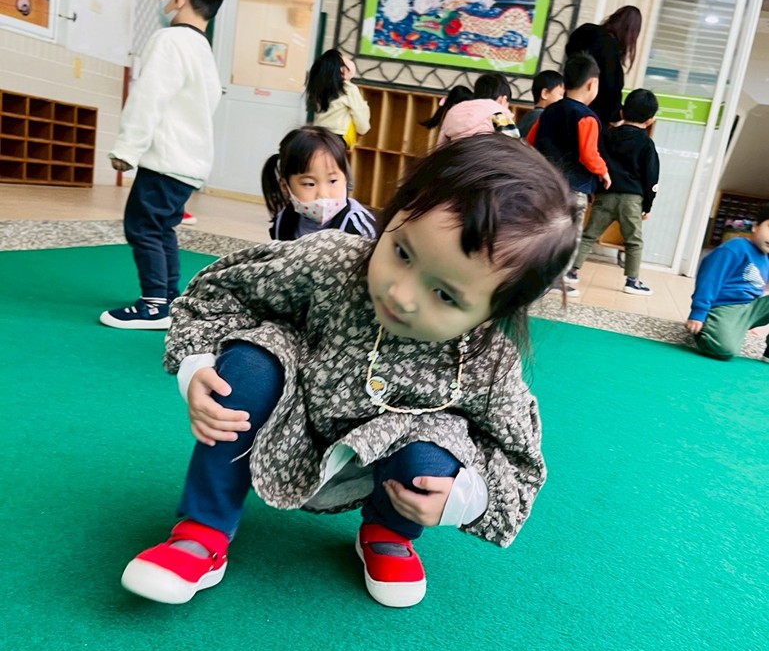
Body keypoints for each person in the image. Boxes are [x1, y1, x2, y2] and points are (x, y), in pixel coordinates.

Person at [119, 135, 581, 609]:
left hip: (385, 456)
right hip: (292, 412)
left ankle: (388, 534)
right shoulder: (331, 260)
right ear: (393, 215)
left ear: (496, 311)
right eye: (402, 252)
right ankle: (202, 531)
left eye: (445, 295)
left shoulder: (488, 360)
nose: (401, 294)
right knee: (250, 365)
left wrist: (468, 497)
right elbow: (219, 293)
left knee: (435, 454)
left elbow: (521, 461)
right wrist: (197, 363)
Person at [100, 0, 228, 330]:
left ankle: (155, 303)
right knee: (161, 227)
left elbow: (148, 99)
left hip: (165, 160)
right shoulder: (203, 50)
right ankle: (170, 299)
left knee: (142, 226)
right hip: (189, 162)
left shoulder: (169, 42)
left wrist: (127, 148)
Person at [527, 53, 610, 298]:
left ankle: (531, 274)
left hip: (545, 182)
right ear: (592, 84)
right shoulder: (587, 117)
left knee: (543, 228)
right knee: (569, 234)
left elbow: (531, 140)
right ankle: (554, 279)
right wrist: (604, 171)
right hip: (573, 187)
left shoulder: (549, 111)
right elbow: (588, 154)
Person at [567, 89, 660, 296]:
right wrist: (648, 205)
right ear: (650, 120)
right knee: (633, 241)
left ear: (622, 112)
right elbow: (651, 177)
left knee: (589, 235)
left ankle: (572, 271)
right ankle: (632, 281)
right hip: (632, 200)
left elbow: (594, 160)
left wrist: (593, 191)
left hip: (605, 195)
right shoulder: (646, 143)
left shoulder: (607, 135)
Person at [261, 125, 377, 241]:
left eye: (332, 181)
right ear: (285, 186)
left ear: (346, 179)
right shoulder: (283, 223)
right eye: (309, 184)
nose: (323, 194)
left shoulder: (359, 228)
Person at [686, 206, 769, 362]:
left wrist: (745, 321)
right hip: (725, 307)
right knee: (725, 350)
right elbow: (709, 280)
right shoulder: (735, 248)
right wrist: (698, 313)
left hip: (749, 308)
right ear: (755, 226)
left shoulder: (766, 258)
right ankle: (709, 331)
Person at [565, 5, 642, 127]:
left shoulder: (585, 33)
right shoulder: (610, 53)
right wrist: (618, 115)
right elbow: (611, 91)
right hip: (591, 116)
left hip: (567, 101)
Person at [305, 49, 371, 149]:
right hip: (336, 138)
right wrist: (362, 131)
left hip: (317, 134)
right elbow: (361, 118)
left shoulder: (319, 86)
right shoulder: (348, 89)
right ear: (340, 69)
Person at [437, 73, 519, 144]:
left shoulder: (454, 110)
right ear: (503, 100)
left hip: (456, 155)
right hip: (483, 156)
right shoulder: (498, 112)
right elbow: (513, 145)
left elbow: (441, 143)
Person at [517, 70, 565, 140]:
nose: (563, 99)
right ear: (545, 93)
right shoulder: (544, 118)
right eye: (561, 94)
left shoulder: (530, 115)